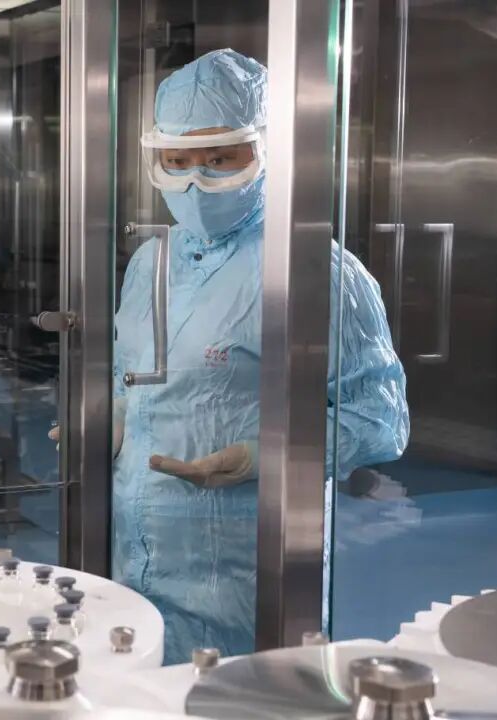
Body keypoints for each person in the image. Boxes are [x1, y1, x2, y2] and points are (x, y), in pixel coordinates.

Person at [111, 49, 409, 663]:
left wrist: (261, 456)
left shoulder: (319, 270)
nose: (195, 181)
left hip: (245, 571)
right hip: (134, 553)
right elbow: (130, 374)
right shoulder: (149, 261)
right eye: (178, 161)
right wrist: (111, 419)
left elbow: (379, 421)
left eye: (220, 158)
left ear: (267, 149)